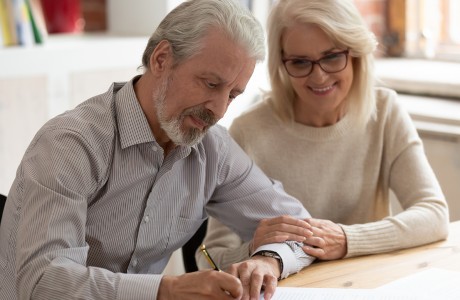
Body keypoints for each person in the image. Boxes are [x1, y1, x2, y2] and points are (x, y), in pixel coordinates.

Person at [0, 0, 317, 299]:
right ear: (161, 59)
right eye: (210, 84)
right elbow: (44, 283)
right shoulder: (69, 145)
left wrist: (268, 261)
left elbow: (303, 231)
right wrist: (167, 291)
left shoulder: (212, 149)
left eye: (233, 94)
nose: (219, 109)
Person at [196, 0, 450, 271]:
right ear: (281, 63)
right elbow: (209, 258)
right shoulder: (248, 130)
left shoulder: (385, 111)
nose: (318, 76)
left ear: (355, 53)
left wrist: (345, 240)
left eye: (331, 57)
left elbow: (434, 214)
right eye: (300, 62)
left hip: (366, 284)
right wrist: (255, 251)